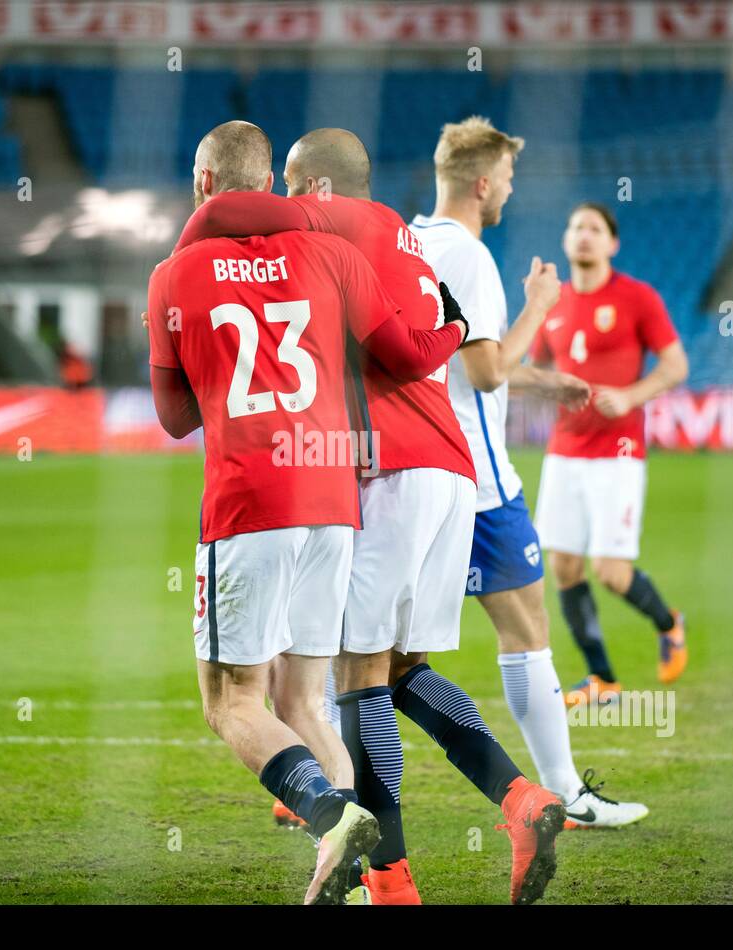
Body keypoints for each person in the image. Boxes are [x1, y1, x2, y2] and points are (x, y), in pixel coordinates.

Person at [175, 126, 571, 905]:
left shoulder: (326, 227)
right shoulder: (396, 229)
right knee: (400, 671)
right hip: (449, 467)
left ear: (318, 190)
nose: (280, 202)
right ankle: (523, 801)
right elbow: (433, 337)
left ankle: (389, 881)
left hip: (388, 467)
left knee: (358, 682)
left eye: (291, 185)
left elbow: (242, 227)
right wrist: (452, 329)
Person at [147, 120, 467, 904]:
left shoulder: (174, 275)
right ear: (272, 181)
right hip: (334, 500)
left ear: (203, 183)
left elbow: (174, 416)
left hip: (250, 498)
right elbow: (403, 350)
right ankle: (376, 887)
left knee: (232, 703)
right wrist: (454, 325)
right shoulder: (334, 254)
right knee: (304, 702)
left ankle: (333, 816)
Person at [411, 118, 649, 829]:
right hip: (479, 484)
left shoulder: (408, 240)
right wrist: (540, 305)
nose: (511, 191)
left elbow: (455, 363)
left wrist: (546, 382)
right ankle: (565, 794)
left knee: (380, 654)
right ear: (483, 183)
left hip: (407, 475)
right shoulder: (473, 258)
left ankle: (311, 781)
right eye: (509, 180)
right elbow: (484, 371)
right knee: (527, 630)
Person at [530, 202, 689, 706]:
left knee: (611, 573)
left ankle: (669, 622)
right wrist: (548, 386)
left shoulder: (637, 297)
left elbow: (675, 365)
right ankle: (603, 679)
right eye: (576, 226)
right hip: (564, 451)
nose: (584, 235)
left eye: (595, 228)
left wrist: (631, 397)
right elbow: (534, 372)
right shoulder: (551, 304)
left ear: (612, 243)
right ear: (565, 240)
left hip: (618, 451)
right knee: (564, 570)